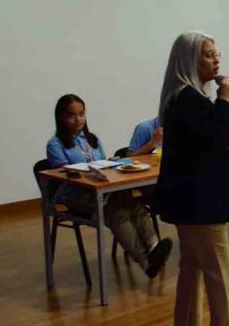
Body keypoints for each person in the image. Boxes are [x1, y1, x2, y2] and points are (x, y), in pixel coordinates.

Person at [154, 31, 229, 326]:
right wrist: (224, 101)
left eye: (216, 53)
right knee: (219, 275)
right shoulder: (187, 100)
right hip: (199, 201)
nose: (216, 60)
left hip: (193, 199)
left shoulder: (188, 97)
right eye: (208, 54)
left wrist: (221, 103)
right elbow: (210, 139)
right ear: (189, 60)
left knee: (191, 272)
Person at [47, 94, 172, 277]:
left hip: (101, 189)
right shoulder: (55, 144)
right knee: (116, 212)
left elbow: (102, 164)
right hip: (76, 195)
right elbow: (63, 174)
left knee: (134, 205)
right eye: (71, 115)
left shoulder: (92, 140)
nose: (78, 119)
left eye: (81, 114)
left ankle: (154, 248)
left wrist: (111, 163)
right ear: (61, 117)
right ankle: (144, 261)